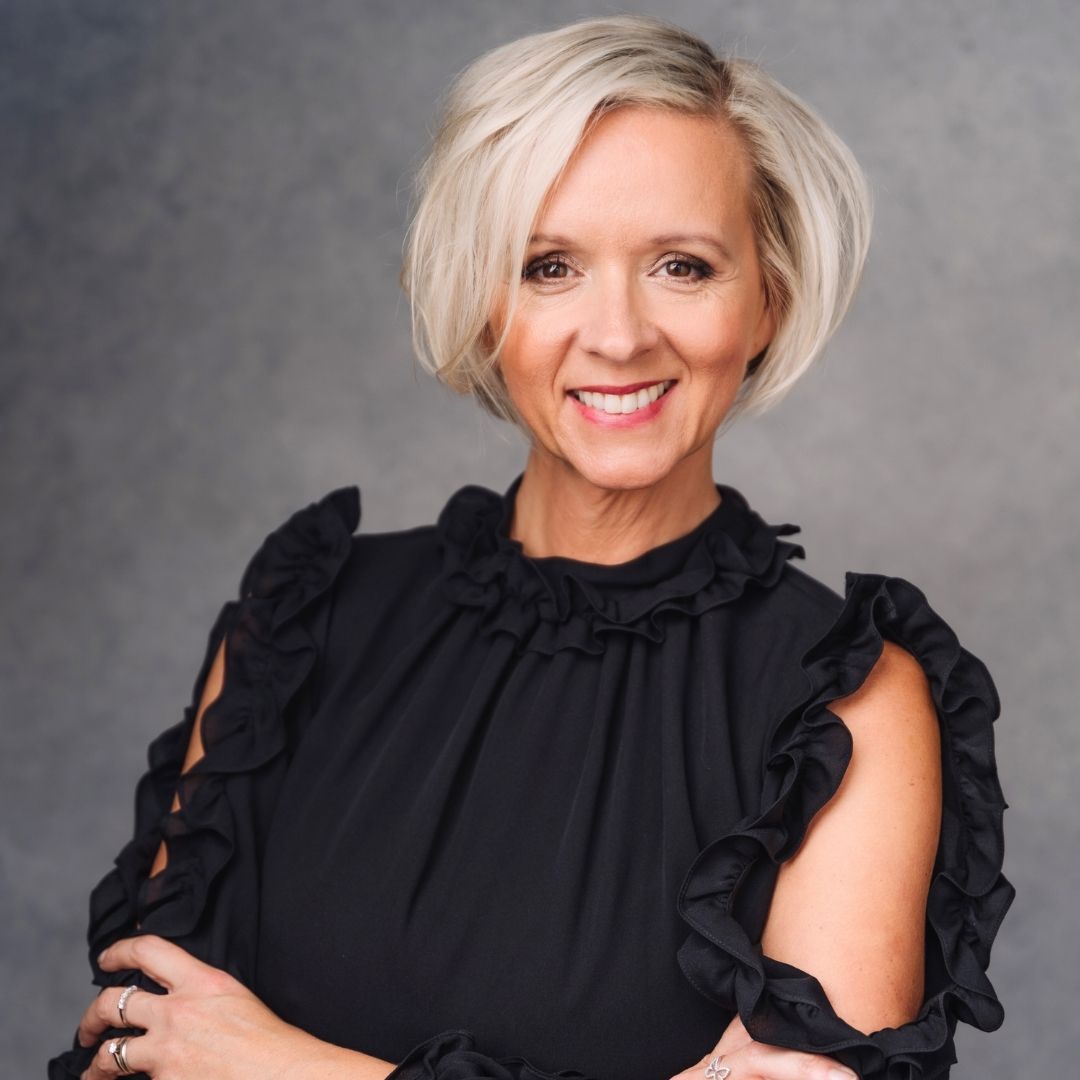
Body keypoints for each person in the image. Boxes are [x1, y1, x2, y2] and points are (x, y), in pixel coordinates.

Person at [50, 14, 1015, 1080]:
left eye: (683, 266)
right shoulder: (301, 625)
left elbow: (220, 1057)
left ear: (767, 304)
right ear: (482, 303)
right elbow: (152, 1057)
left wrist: (288, 1065)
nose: (619, 334)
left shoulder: (847, 704)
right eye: (549, 266)